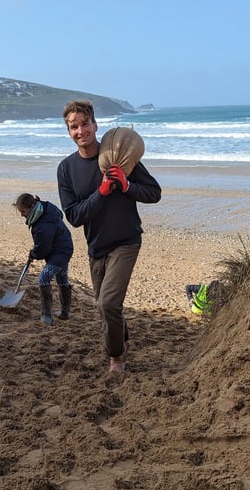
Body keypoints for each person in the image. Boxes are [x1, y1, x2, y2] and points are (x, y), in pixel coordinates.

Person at [57, 100, 161, 372]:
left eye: (85, 124)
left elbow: (154, 193)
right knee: (105, 307)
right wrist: (101, 192)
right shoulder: (66, 169)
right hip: (96, 246)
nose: (81, 131)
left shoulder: (117, 155)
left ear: (95, 124)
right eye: (74, 127)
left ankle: (116, 358)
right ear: (68, 131)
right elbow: (74, 216)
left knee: (108, 303)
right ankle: (123, 341)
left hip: (126, 240)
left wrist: (126, 185)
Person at [13, 193, 74, 325]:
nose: (22, 215)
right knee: (62, 278)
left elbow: (42, 249)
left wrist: (33, 254)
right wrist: (35, 252)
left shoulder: (42, 225)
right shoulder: (46, 209)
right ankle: (64, 312)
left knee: (44, 279)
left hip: (60, 252)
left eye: (23, 211)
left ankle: (46, 316)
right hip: (65, 247)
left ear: (32, 206)